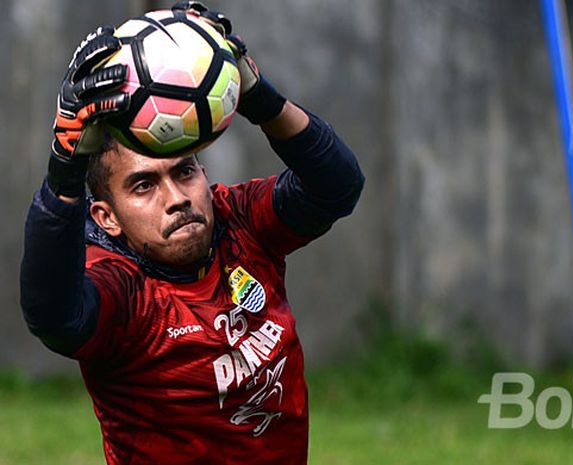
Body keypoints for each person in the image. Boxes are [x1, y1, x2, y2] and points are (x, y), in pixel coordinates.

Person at [19, 2, 364, 464]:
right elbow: (54, 317)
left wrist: (258, 95)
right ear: (105, 217)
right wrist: (64, 171)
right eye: (144, 185)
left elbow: (337, 186)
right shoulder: (123, 288)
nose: (176, 197)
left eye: (184, 172)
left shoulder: (237, 222)